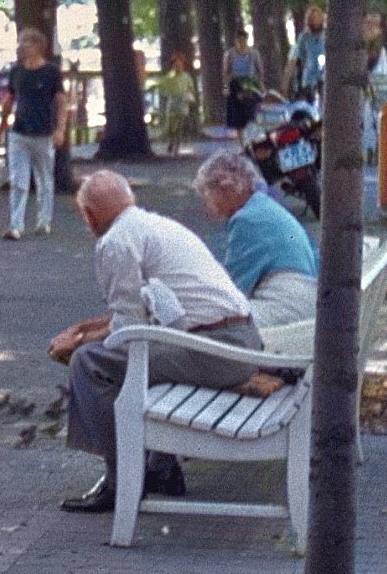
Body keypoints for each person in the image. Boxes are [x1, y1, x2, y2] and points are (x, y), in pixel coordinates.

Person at [45, 171, 265, 513]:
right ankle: (161, 468)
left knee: (90, 363)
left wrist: (78, 344)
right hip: (240, 341)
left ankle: (122, 479)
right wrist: (83, 332)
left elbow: (129, 328)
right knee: (129, 356)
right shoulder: (156, 225)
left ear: (88, 215)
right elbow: (145, 316)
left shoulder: (116, 241)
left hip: (217, 350)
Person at [193, 149, 318, 332]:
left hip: (287, 308)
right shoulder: (263, 206)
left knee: (210, 324)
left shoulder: (247, 219)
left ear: (226, 185)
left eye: (207, 197)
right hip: (305, 303)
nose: (208, 207)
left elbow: (232, 290)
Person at [0, 26, 65, 238]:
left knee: (45, 179)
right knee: (18, 179)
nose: (22, 46)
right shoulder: (16, 71)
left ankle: (44, 221)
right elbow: (9, 99)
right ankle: (16, 225)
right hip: (19, 132)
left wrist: (60, 129)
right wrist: (1, 125)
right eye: (21, 42)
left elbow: (62, 102)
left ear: (38, 46)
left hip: (43, 132)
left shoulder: (51, 72)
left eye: (27, 42)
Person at [224, 31, 262, 130]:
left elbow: (259, 70)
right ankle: (241, 141)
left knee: (251, 111)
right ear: (235, 41)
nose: (241, 43)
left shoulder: (254, 53)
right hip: (236, 84)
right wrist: (226, 87)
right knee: (237, 117)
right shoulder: (230, 54)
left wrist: (261, 85)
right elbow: (226, 72)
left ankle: (251, 133)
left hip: (250, 84)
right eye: (238, 40)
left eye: (243, 40)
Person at [292, 6, 327, 96]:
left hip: (325, 76)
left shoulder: (327, 35)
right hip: (309, 78)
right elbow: (300, 57)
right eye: (312, 18)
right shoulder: (304, 37)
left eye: (317, 17)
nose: (315, 20)